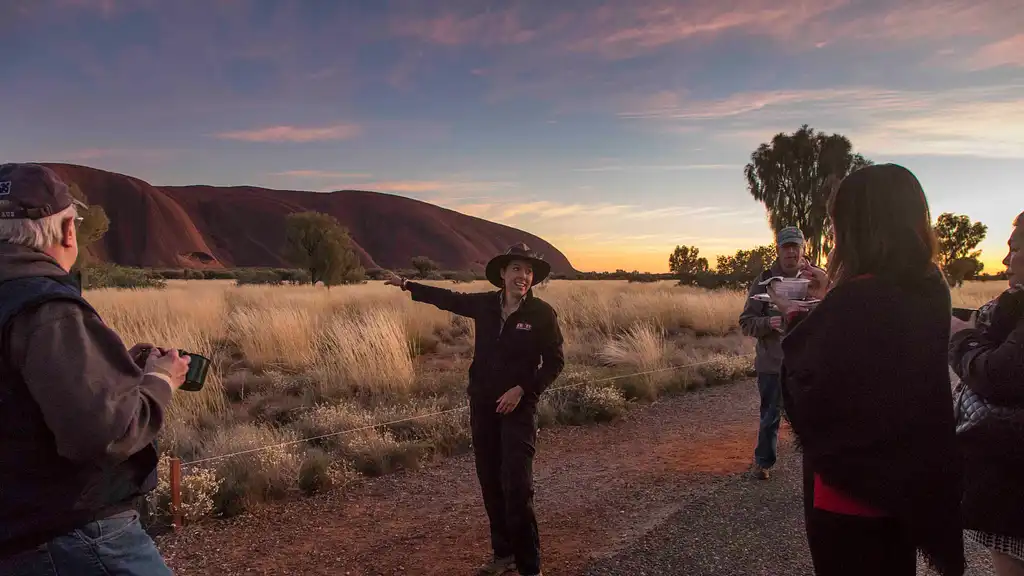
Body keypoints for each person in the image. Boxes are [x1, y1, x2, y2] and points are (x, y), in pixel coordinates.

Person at [768, 163, 965, 576]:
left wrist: (793, 319)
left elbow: (807, 387)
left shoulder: (860, 298)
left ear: (856, 226)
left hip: (851, 493)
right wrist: (828, 303)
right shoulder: (930, 285)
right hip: (906, 482)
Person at [0, 163, 190, 575]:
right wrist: (159, 380)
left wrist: (119, 371)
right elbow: (106, 433)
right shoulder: (47, 310)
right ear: (68, 231)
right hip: (72, 532)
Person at [385, 243, 564, 576]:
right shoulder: (484, 304)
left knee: (517, 483)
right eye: (515, 269)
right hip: (482, 404)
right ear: (502, 273)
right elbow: (449, 298)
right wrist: (408, 285)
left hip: (519, 407)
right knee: (490, 480)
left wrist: (523, 389)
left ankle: (530, 566)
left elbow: (555, 362)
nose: (522, 276)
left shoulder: (541, 314)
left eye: (527, 271)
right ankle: (503, 553)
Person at [949, 210, 1024, 576]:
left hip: (1015, 485)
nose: (1006, 260)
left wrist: (960, 336)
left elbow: (998, 374)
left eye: (1015, 249)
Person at [738, 225, 820, 480]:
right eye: (786, 247)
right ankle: (763, 463)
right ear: (778, 250)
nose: (792, 252)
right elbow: (746, 321)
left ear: (802, 250)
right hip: (772, 365)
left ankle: (819, 468)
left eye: (796, 247)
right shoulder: (763, 281)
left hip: (808, 365)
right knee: (770, 417)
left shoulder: (816, 278)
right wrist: (768, 323)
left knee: (813, 417)